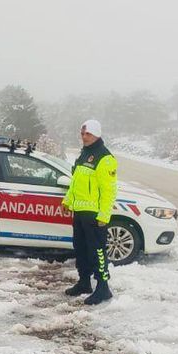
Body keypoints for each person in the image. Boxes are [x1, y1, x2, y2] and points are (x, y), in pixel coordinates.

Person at [60, 119, 117, 305]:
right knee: (81, 249)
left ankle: (103, 287)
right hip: (80, 211)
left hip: (94, 215)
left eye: (88, 134)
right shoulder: (84, 154)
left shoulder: (105, 158)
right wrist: (67, 201)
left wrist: (104, 215)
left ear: (97, 135)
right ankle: (84, 282)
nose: (84, 137)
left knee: (97, 251)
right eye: (83, 134)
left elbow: (109, 191)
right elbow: (75, 183)